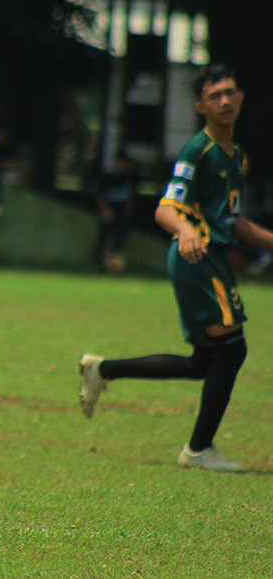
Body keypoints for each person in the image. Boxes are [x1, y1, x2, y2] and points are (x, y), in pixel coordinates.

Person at [79, 65, 273, 472]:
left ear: (241, 98)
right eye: (215, 95)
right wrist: (185, 229)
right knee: (234, 349)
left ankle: (103, 369)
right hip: (196, 257)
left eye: (230, 92)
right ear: (201, 106)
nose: (224, 100)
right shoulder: (196, 151)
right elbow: (166, 207)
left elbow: (231, 220)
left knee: (205, 362)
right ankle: (199, 450)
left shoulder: (236, 156)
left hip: (212, 255)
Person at [90, 149, 139, 269]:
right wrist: (105, 211)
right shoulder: (108, 178)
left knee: (122, 233)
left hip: (121, 212)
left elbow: (130, 199)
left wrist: (128, 213)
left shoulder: (129, 179)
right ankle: (97, 260)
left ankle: (113, 256)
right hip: (109, 211)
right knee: (104, 235)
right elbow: (100, 196)